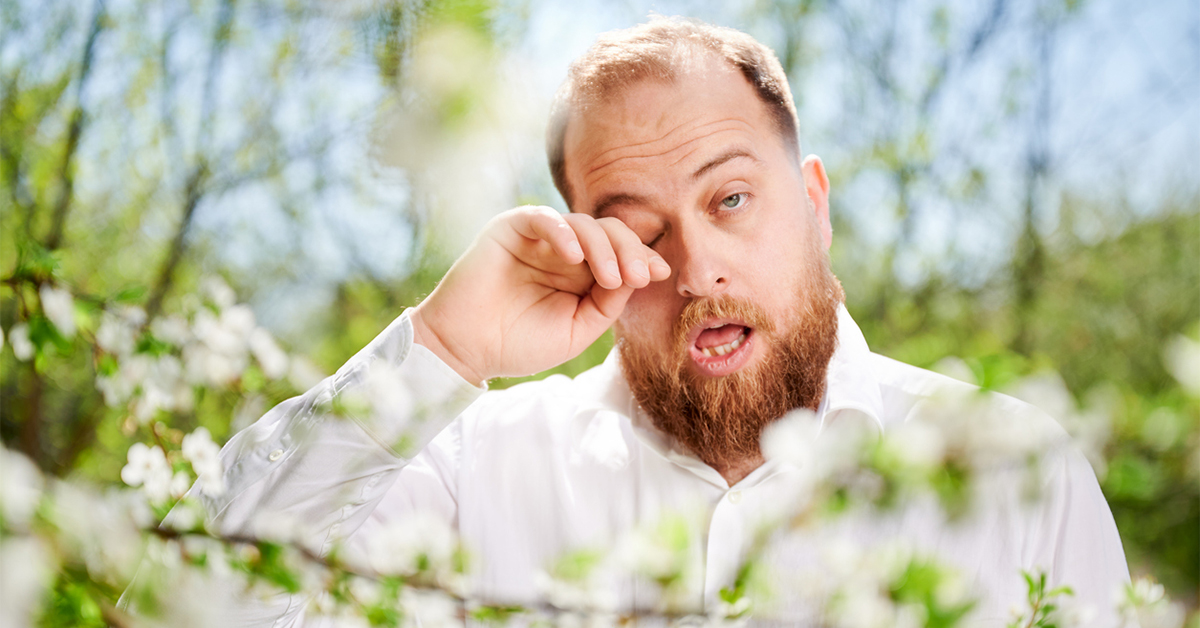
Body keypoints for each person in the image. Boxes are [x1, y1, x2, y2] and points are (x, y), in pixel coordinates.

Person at [188, 17, 1130, 627]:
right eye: (637, 230)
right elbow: (183, 605)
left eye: (729, 200)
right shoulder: (476, 466)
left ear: (814, 206)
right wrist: (440, 347)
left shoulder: (1018, 474)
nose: (693, 268)